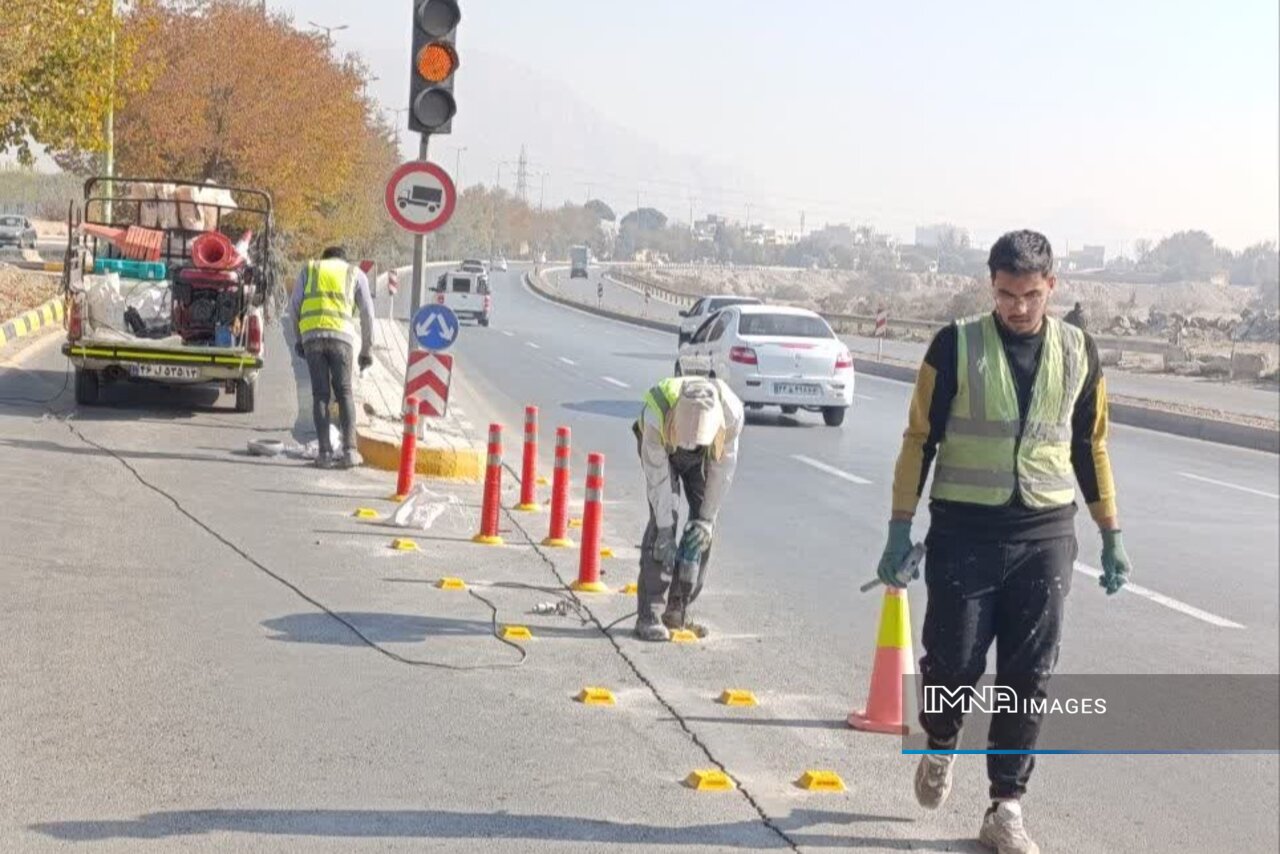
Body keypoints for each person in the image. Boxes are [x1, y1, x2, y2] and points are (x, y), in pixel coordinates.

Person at [876, 230, 1133, 854]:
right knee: (952, 663)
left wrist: (1110, 533)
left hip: (1044, 533)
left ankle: (1005, 806)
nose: (1017, 307)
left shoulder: (1079, 352)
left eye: (1030, 294)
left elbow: (1089, 446)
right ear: (991, 286)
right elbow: (919, 441)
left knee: (1030, 675)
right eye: (1005, 294)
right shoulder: (955, 345)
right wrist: (898, 527)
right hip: (965, 531)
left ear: (1053, 286)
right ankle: (941, 741)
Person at [632, 375, 744, 641]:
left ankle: (678, 608)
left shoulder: (730, 415)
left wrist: (706, 520)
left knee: (700, 532)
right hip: (662, 452)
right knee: (663, 525)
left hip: (706, 458)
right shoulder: (655, 415)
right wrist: (665, 531)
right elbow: (659, 482)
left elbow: (721, 474)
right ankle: (650, 614)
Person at [290, 246, 375, 469]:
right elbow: (367, 313)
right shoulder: (354, 273)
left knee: (320, 394)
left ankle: (325, 454)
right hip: (342, 338)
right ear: (344, 259)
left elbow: (294, 306)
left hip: (312, 337)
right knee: (344, 391)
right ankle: (349, 452)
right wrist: (367, 350)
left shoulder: (310, 269)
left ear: (324, 258)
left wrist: (299, 338)